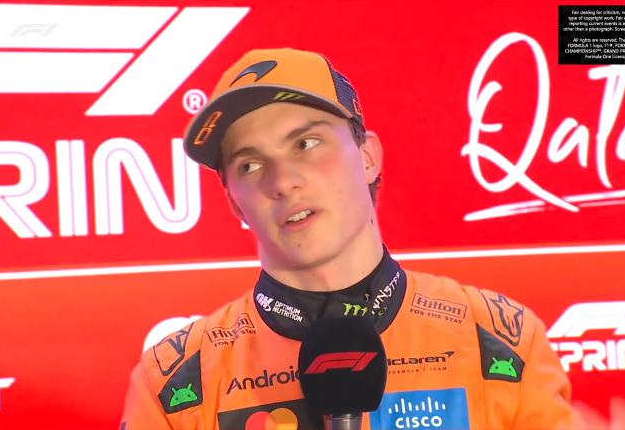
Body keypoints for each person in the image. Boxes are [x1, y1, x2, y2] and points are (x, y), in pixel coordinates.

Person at [120, 48, 580, 429]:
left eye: (306, 144)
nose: (282, 181)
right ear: (234, 203)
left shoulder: (500, 342)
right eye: (250, 164)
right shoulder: (174, 383)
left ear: (367, 158)